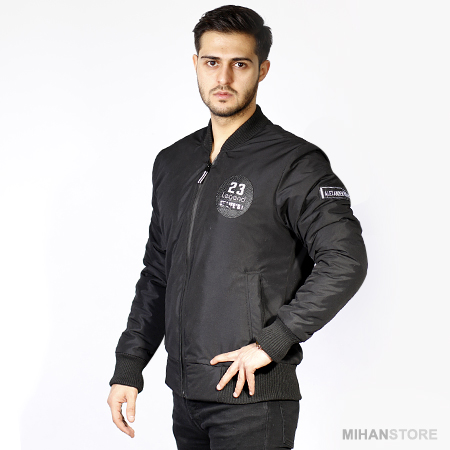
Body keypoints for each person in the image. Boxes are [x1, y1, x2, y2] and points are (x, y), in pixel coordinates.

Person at [107, 5, 367, 449]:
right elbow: (158, 274)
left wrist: (273, 341)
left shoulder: (295, 163)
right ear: (196, 64)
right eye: (212, 62)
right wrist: (129, 366)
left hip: (253, 401)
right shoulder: (173, 162)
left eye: (240, 64)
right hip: (186, 397)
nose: (223, 78)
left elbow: (345, 260)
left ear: (262, 70)